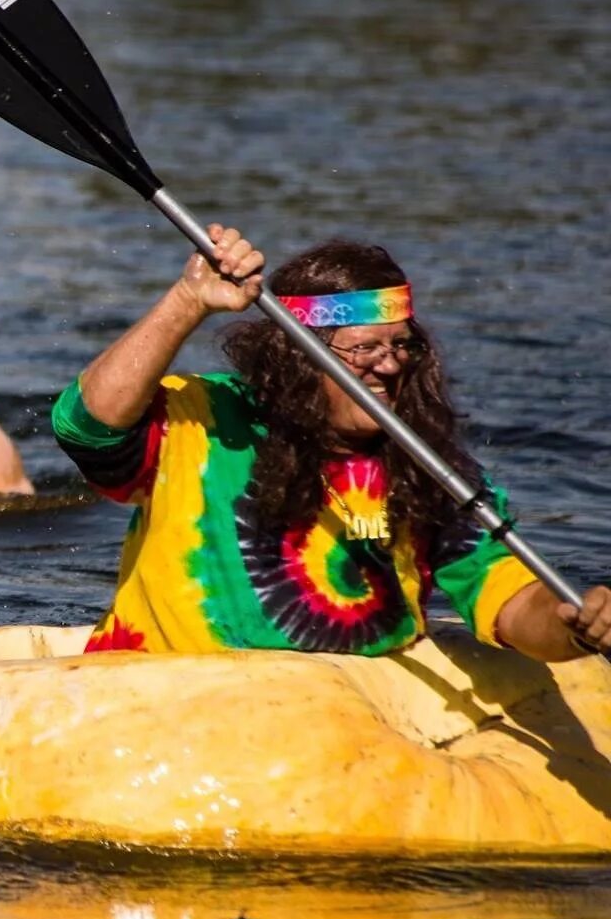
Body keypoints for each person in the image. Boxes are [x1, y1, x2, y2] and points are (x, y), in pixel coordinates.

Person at [54, 226, 610, 661]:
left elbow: (509, 601)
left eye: (402, 347)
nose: (389, 366)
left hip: (336, 726)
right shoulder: (202, 418)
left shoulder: (433, 469)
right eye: (364, 349)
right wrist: (188, 301)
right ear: (297, 360)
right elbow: (86, 425)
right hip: (167, 707)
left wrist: (572, 623)